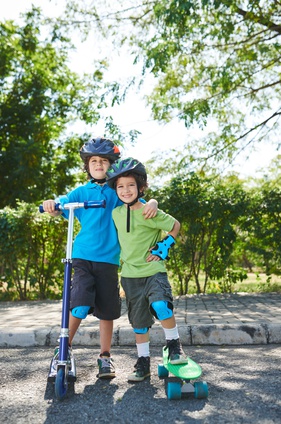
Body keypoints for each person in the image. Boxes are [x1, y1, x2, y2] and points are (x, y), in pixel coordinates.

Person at [42, 137, 158, 379]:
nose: (98, 164)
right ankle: (63, 349)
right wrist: (52, 204)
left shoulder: (117, 191)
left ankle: (105, 357)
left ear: (111, 165)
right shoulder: (81, 191)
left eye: (103, 161)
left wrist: (154, 203)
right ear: (87, 165)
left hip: (109, 260)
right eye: (93, 161)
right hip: (83, 257)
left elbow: (139, 203)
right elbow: (60, 204)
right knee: (81, 304)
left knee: (107, 311)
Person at [106, 157, 188, 382]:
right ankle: (143, 363)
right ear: (115, 189)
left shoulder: (148, 212)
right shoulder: (116, 213)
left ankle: (174, 346)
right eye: (120, 186)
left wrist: (163, 247)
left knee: (162, 306)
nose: (125, 190)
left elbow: (175, 226)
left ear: (140, 187)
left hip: (154, 271)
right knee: (139, 324)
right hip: (130, 276)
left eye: (131, 185)